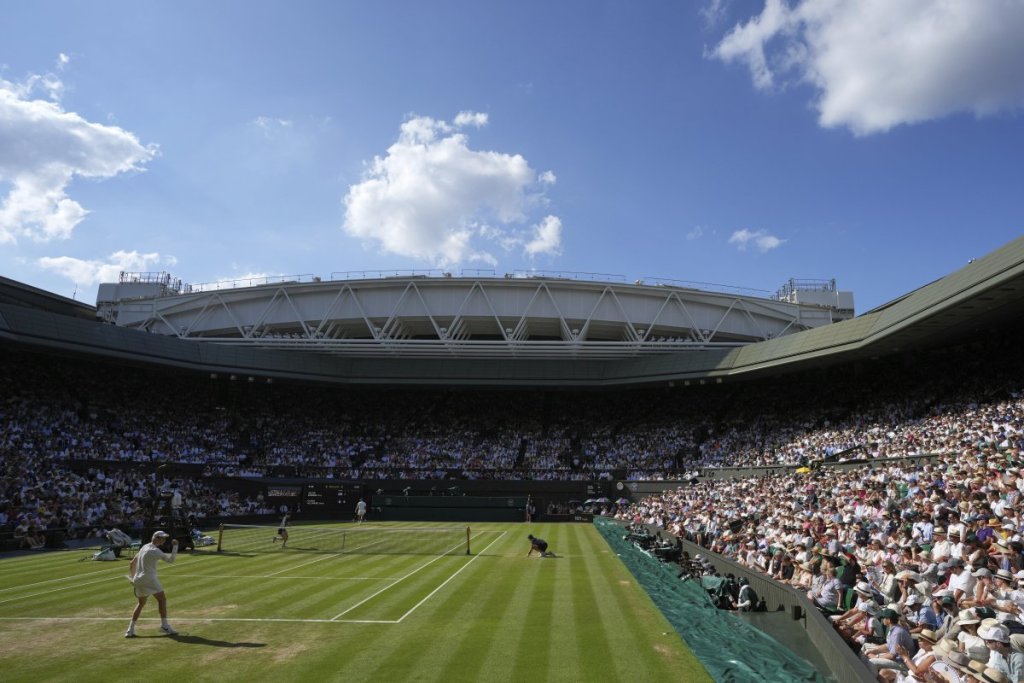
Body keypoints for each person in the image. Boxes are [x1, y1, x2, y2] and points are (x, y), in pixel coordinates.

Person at [125, 530, 178, 638]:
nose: (164, 540)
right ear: (156, 538)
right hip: (149, 579)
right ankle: (165, 626)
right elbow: (171, 560)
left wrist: (133, 578)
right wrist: (175, 546)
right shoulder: (155, 551)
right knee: (162, 599)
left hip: (138, 581)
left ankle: (130, 630)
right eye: (162, 538)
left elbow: (132, 563)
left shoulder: (144, 547)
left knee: (141, 603)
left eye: (165, 538)